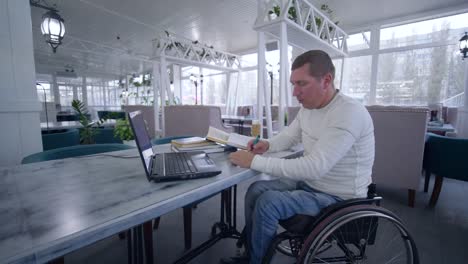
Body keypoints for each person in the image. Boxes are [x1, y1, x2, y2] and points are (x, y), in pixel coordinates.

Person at [222, 50, 375, 264]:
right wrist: (266, 145)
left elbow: (315, 167)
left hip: (340, 198)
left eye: (301, 83)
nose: (295, 92)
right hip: (312, 186)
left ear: (327, 80)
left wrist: (254, 161)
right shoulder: (309, 108)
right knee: (256, 190)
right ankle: (252, 254)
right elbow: (288, 137)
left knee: (268, 202)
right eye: (293, 84)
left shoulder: (348, 113)